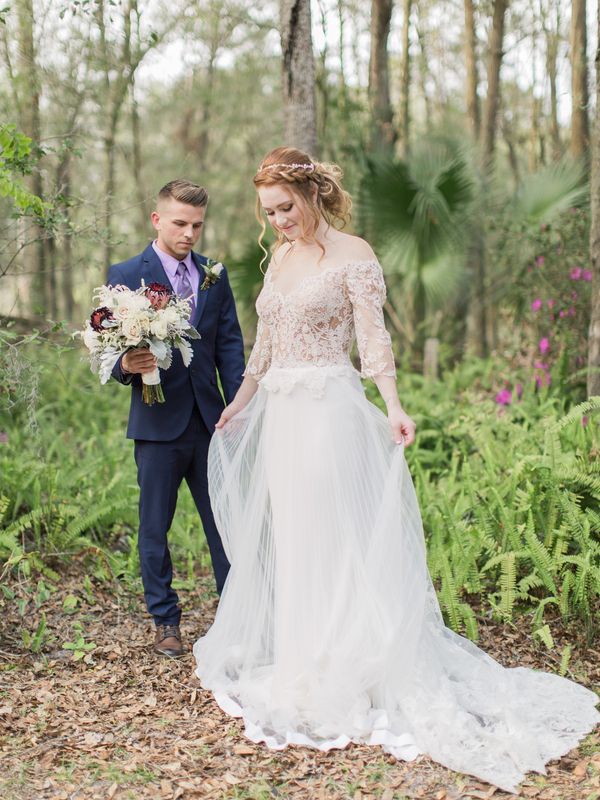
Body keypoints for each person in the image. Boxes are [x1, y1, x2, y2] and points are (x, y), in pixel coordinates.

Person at [192, 148, 598, 792]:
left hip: (328, 411)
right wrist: (238, 407)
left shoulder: (354, 256)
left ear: (312, 195)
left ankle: (350, 664)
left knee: (332, 532)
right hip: (281, 420)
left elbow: (373, 341)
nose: (277, 223)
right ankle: (304, 662)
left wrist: (396, 407)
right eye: (268, 213)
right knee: (295, 538)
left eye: (285, 208)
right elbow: (265, 348)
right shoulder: (282, 261)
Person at [108, 179, 245, 657]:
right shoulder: (126, 273)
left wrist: (237, 405)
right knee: (153, 527)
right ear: (157, 219)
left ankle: (236, 614)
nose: (189, 233)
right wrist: (127, 366)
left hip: (212, 422)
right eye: (180, 223)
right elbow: (107, 350)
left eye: (198, 225)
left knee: (225, 522)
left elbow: (229, 342)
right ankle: (165, 620)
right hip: (157, 424)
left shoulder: (214, 273)